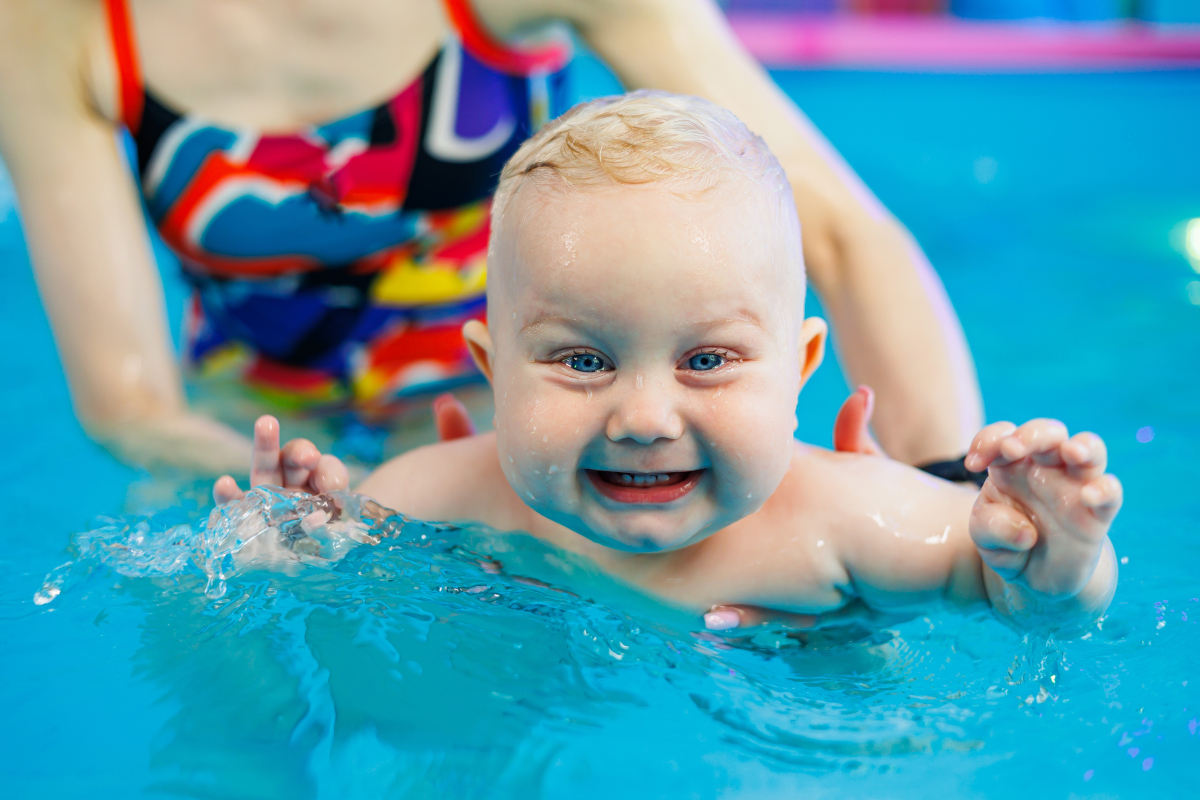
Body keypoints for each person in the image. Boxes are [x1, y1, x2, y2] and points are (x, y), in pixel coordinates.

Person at [215, 94, 1121, 634]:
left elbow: (1009, 591)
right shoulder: (434, 497)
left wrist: (1059, 563)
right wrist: (291, 555)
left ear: (800, 371)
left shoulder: (848, 522)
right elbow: (327, 603)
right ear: (494, 374)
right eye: (582, 360)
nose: (644, 418)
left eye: (707, 359)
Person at [0, 0, 980, 477]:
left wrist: (945, 496)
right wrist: (285, 492)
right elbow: (130, 404)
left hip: (514, 418)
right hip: (244, 427)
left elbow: (838, 235)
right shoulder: (53, 23)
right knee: (226, 733)